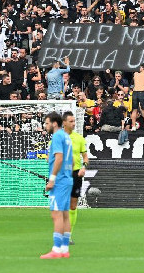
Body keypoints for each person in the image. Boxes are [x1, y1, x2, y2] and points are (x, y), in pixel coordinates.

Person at [40, 112, 74, 259]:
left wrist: (52, 179)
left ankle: (56, 249)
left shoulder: (57, 136)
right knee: (65, 214)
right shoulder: (67, 136)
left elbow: (59, 158)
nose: (45, 126)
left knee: (56, 214)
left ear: (54, 123)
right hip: (67, 179)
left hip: (59, 181)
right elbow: (71, 160)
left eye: (47, 123)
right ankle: (64, 249)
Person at [63, 111, 88, 245]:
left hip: (76, 174)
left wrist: (84, 167)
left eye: (74, 121)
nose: (73, 124)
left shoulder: (79, 138)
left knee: (73, 206)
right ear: (64, 123)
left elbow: (85, 157)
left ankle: (68, 235)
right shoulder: (57, 139)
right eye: (71, 121)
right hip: (62, 175)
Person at [131, 63, 144, 130]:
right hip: (142, 93)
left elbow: (134, 81)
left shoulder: (135, 74)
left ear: (142, 68)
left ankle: (133, 126)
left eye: (140, 67)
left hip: (135, 92)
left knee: (134, 110)